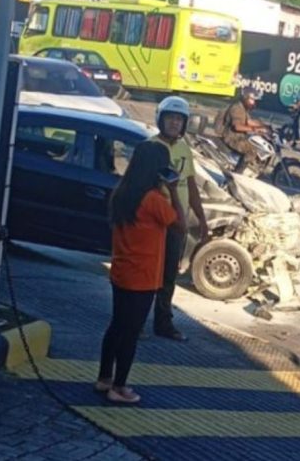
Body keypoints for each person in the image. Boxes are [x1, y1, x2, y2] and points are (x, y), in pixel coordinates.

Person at [97, 141, 185, 403]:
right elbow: (179, 224)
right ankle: (120, 386)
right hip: (144, 276)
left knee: (117, 326)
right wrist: (174, 190)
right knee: (131, 333)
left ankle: (104, 378)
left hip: (122, 271)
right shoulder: (154, 200)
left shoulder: (122, 192)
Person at [148, 96, 209, 341]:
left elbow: (191, 186)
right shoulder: (151, 147)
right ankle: (138, 321)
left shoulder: (185, 150)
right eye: (170, 118)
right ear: (160, 119)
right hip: (154, 223)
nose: (174, 124)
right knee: (149, 273)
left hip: (177, 223)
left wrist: (202, 221)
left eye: (178, 120)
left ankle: (163, 323)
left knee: (169, 275)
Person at [221, 87, 268, 168]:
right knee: (251, 151)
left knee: (257, 145)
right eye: (252, 100)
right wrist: (255, 129)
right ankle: (237, 174)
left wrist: (264, 126)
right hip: (232, 138)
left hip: (240, 137)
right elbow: (237, 127)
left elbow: (249, 121)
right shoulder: (237, 108)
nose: (254, 102)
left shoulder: (243, 108)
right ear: (245, 98)